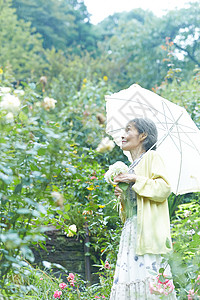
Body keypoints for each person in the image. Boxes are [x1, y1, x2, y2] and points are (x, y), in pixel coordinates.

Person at [109, 118, 177, 300]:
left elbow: (163, 188)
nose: (123, 135)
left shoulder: (152, 157)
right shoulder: (133, 165)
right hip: (132, 232)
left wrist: (134, 180)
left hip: (148, 232)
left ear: (143, 135)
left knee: (151, 285)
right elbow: (130, 211)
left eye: (128, 130)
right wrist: (122, 198)